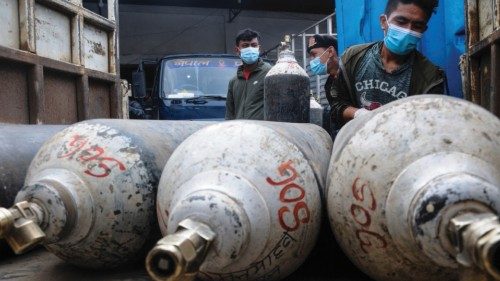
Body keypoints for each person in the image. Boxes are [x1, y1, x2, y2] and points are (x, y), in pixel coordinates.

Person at [330, 0, 447, 128]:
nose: (408, 31)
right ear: (383, 21)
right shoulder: (353, 57)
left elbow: (428, 126)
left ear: (424, 30)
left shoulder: (431, 77)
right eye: (401, 21)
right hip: (356, 141)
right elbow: (336, 106)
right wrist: (358, 113)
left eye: (417, 26)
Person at [225, 28, 272, 120]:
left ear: (259, 48)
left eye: (254, 45)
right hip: (240, 132)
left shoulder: (270, 74)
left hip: (262, 132)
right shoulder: (234, 82)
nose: (250, 49)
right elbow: (230, 115)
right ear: (237, 50)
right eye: (245, 46)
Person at [307, 34, 339, 136]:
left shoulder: (349, 74)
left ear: (330, 52)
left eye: (314, 55)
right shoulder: (329, 84)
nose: (311, 61)